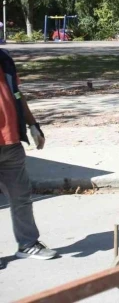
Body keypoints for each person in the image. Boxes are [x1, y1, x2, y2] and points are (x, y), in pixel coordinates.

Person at [0, 49, 57, 270]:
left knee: (21, 197)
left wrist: (33, 125)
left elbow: (16, 94)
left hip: (11, 142)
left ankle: (27, 244)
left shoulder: (4, 59)